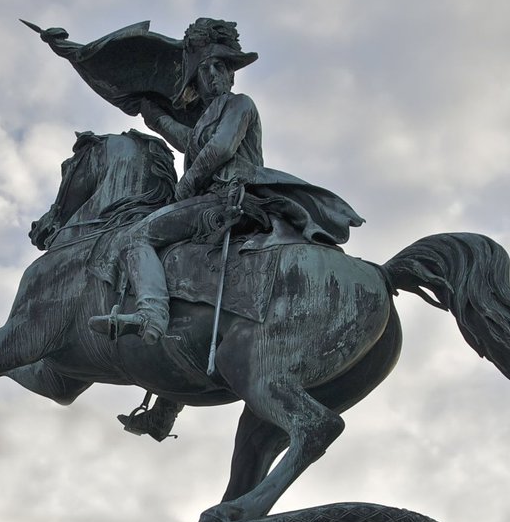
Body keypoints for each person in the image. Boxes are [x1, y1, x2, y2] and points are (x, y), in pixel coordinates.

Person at [88, 18, 361, 343]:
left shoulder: (239, 103)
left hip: (225, 196)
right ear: (197, 79)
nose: (214, 77)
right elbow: (193, 141)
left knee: (138, 237)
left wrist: (188, 182)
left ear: (231, 73)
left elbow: (220, 148)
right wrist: (157, 119)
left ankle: (152, 315)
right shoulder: (210, 116)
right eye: (206, 70)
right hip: (210, 199)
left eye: (220, 68)